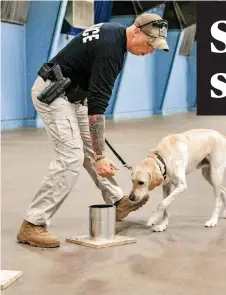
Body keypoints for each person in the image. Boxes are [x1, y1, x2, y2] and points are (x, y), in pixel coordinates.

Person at [16, 13, 170, 248]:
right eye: (150, 44)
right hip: (54, 94)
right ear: (136, 31)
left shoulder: (114, 32)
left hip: (74, 94)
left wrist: (97, 151)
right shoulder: (112, 51)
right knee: (72, 157)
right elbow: (98, 107)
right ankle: (32, 224)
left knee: (90, 147)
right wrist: (99, 156)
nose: (150, 51)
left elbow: (92, 98)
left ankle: (117, 202)